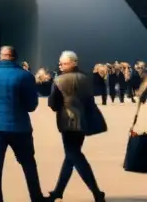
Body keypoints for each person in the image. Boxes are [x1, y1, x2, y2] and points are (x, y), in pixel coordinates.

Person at [0, 46, 46, 202]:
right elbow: (31, 105)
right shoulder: (25, 76)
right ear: (15, 57)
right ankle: (36, 197)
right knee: (28, 164)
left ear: (1, 56)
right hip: (20, 126)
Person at [45, 51, 105, 202]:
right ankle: (58, 191)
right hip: (83, 122)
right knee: (71, 156)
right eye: (60, 63)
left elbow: (53, 104)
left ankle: (97, 192)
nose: (60, 65)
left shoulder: (59, 80)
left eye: (63, 63)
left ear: (73, 63)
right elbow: (89, 100)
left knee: (75, 156)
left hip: (68, 123)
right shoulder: (86, 78)